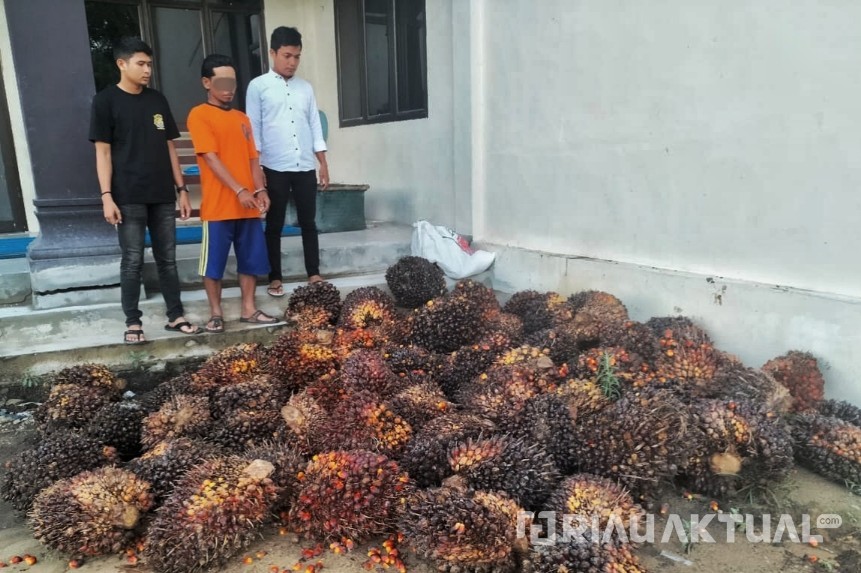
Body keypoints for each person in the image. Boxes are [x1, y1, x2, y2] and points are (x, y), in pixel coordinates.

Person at [89, 37, 201, 345]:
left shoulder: (157, 100)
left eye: (149, 64)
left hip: (162, 194)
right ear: (121, 64)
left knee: (168, 259)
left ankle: (175, 315)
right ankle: (133, 321)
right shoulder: (105, 101)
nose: (147, 70)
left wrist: (182, 189)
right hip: (127, 196)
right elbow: (103, 153)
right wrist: (106, 196)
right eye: (141, 64)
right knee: (132, 261)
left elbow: (170, 147)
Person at [187, 53, 280, 332]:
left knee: (250, 260)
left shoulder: (242, 119)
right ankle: (215, 313)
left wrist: (260, 189)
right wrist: (239, 189)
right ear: (207, 82)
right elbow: (211, 157)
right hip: (218, 207)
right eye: (222, 82)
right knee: (213, 264)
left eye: (233, 82)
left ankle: (249, 309)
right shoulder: (199, 115)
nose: (229, 89)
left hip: (248, 206)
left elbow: (253, 159)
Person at [246, 25, 329, 296]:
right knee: (274, 224)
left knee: (309, 222)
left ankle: (313, 273)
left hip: (304, 165)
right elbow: (253, 130)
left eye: (297, 57)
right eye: (287, 56)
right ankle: (275, 277)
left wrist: (322, 163)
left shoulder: (306, 88)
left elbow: (314, 125)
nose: (292, 62)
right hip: (274, 167)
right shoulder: (258, 87)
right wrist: (257, 169)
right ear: (272, 53)